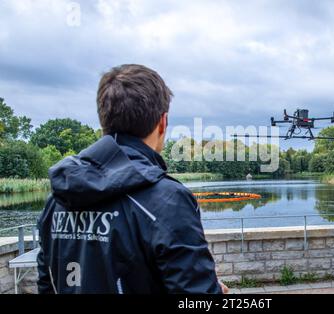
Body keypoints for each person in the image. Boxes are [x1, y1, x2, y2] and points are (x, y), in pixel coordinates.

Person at [37, 64, 228, 294]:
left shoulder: (57, 200)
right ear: (162, 122)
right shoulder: (167, 201)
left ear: (103, 121)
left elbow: (47, 285)